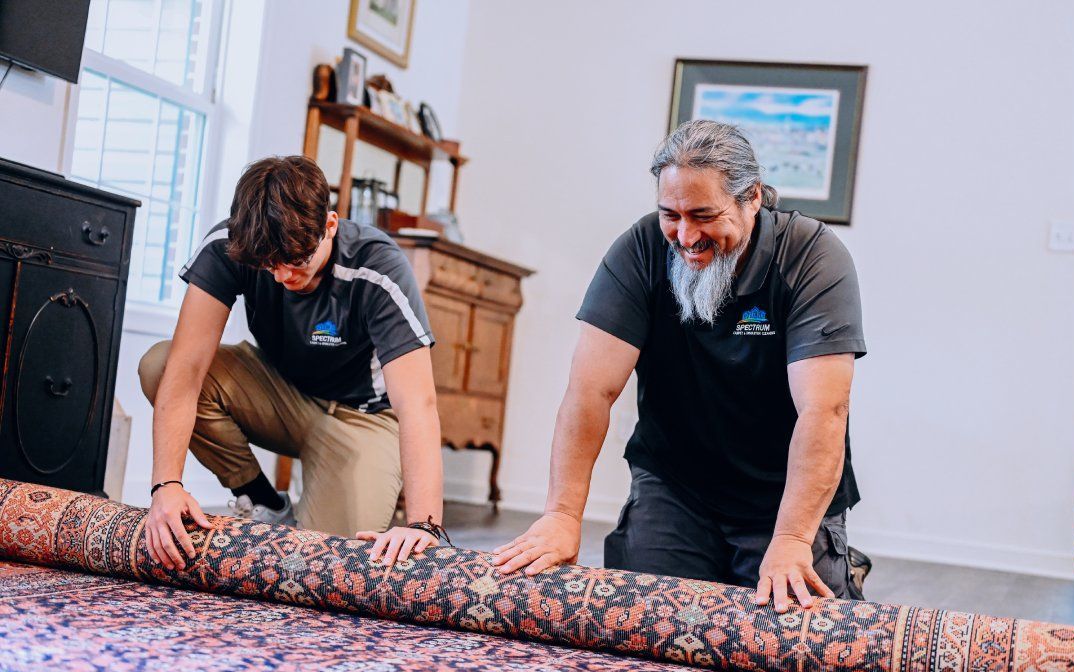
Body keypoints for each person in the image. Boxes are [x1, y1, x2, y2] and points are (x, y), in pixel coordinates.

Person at [493, 120, 868, 612]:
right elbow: (590, 390)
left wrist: (794, 538)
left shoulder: (812, 257)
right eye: (671, 214)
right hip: (676, 483)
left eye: (704, 214)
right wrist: (562, 515)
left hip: (784, 493)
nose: (685, 235)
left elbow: (824, 410)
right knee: (642, 617)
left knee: (799, 633)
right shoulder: (643, 248)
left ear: (752, 197)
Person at [138, 155, 445, 571]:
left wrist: (425, 525)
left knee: (326, 567)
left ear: (330, 226)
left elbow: (418, 404)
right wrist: (165, 486)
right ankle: (265, 502)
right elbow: (185, 370)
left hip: (361, 419)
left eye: (297, 261)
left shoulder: (377, 268)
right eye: (269, 266)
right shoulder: (232, 246)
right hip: (278, 393)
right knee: (159, 364)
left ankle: (334, 499)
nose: (283, 277)